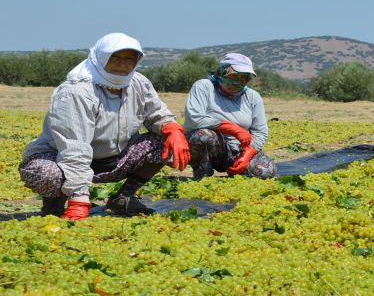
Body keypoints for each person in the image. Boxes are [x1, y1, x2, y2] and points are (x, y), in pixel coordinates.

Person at [19, 33, 190, 220]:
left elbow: (156, 113)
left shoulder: (138, 83)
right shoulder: (77, 91)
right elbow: (74, 148)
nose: (122, 64)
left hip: (111, 159)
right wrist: (79, 200)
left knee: (164, 141)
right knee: (47, 174)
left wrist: (172, 129)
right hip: (58, 159)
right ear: (101, 58)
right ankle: (54, 206)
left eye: (129, 59)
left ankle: (123, 198)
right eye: (114, 58)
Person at [184, 53, 276, 180]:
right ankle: (203, 174)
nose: (238, 81)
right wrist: (234, 129)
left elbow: (260, 132)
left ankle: (235, 169)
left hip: (238, 150)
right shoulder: (204, 86)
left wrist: (247, 154)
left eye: (244, 77)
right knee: (203, 135)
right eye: (234, 75)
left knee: (265, 172)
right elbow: (194, 119)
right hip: (212, 147)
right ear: (222, 72)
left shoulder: (252, 97)